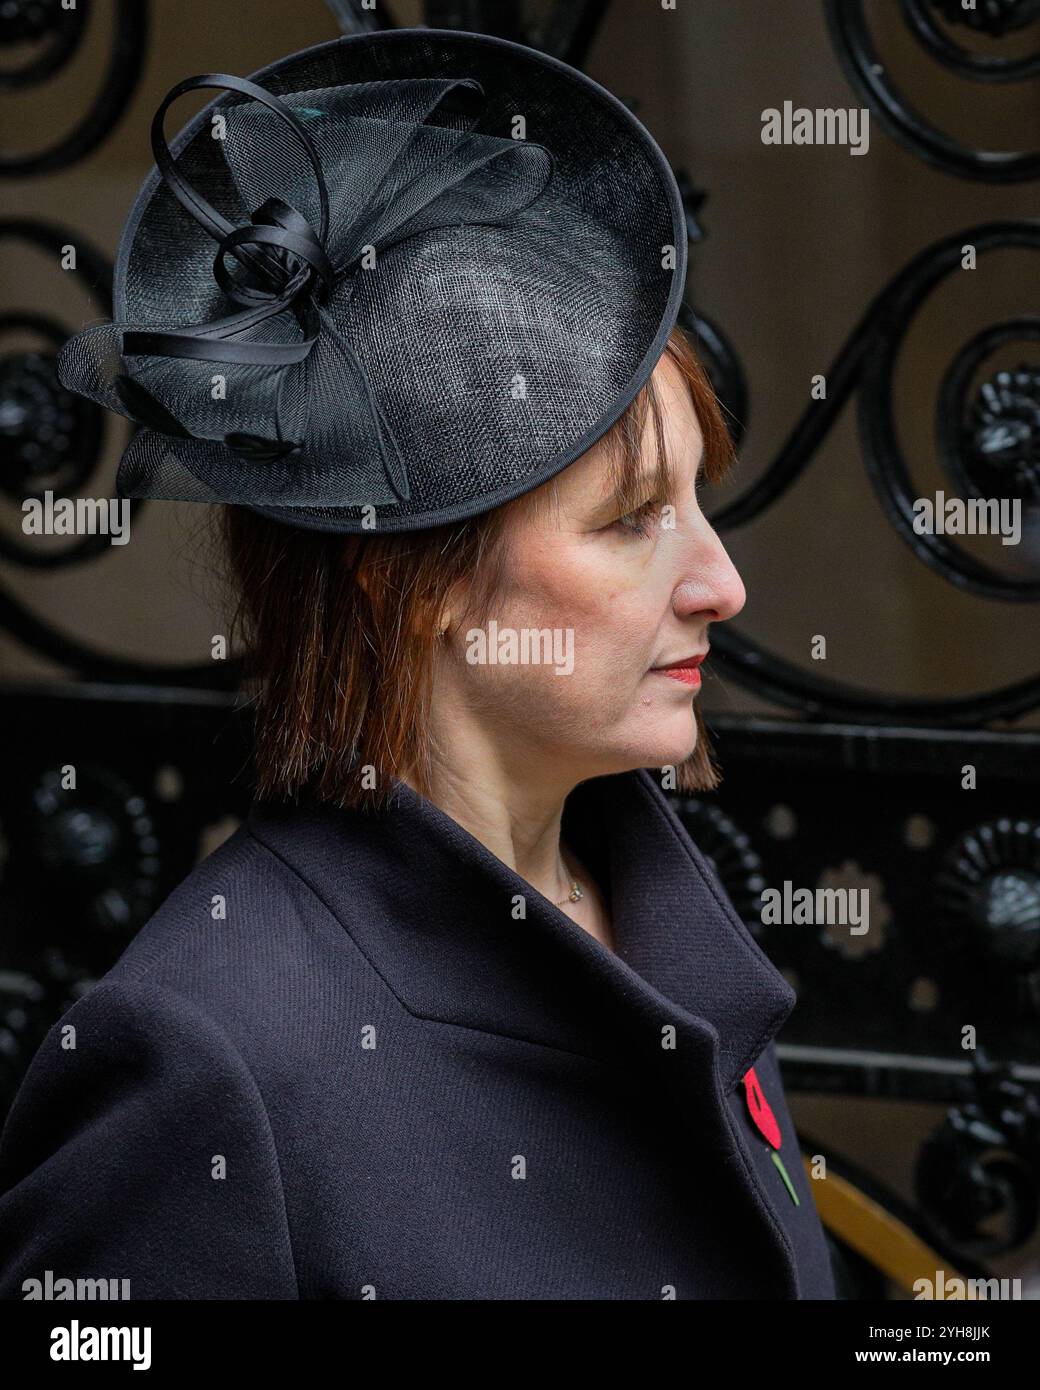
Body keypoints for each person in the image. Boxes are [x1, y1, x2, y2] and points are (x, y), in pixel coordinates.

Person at [0, 27, 836, 1300]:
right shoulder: (205, 1058)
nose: (720, 584)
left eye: (696, 508)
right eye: (629, 521)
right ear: (413, 578)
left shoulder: (672, 935)